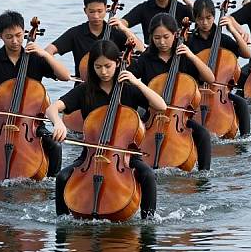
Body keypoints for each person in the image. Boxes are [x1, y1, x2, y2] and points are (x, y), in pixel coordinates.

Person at [46, 40, 166, 219]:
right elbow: (52, 108)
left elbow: (161, 106)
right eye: (98, 66)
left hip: (126, 156)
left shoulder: (129, 89)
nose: (103, 71)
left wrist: (137, 83)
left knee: (148, 175)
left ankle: (148, 219)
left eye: (108, 66)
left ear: (118, 63)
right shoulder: (85, 90)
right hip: (91, 155)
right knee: (62, 177)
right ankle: (63, 220)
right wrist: (58, 122)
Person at [0, 10, 71, 179]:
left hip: (31, 125)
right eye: (9, 37)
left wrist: (45, 54)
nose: (15, 41)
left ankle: (51, 185)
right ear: (0, 35)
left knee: (55, 147)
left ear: (24, 32)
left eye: (18, 35)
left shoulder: (35, 58)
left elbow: (65, 76)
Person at [128, 13, 215, 170]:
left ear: (175, 34)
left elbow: (210, 78)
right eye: (157, 38)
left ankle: (204, 174)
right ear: (151, 38)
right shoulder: (146, 59)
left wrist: (191, 56)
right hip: (152, 114)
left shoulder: (184, 57)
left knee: (203, 135)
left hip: (178, 117)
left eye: (166, 37)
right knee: (132, 134)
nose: (162, 42)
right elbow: (127, 79)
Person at [188, 0, 251, 136]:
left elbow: (247, 54)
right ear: (195, 19)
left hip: (219, 91)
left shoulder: (222, 39)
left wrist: (233, 30)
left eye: (209, 18)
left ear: (214, 16)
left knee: (241, 103)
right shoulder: (190, 41)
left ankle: (245, 137)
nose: (205, 22)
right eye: (200, 19)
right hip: (197, 89)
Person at [45, 0, 144, 79]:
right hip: (84, 89)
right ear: (85, 11)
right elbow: (48, 51)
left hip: (113, 86)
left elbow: (141, 50)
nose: (96, 16)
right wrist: (60, 71)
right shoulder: (75, 33)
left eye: (100, 11)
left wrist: (124, 28)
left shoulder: (116, 32)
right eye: (91, 12)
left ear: (106, 9)